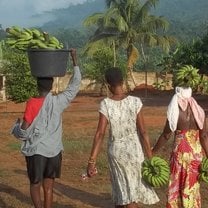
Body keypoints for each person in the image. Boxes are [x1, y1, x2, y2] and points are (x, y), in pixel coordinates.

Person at [11, 48, 81, 208]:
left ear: (37, 85)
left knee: (35, 184)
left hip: (36, 152)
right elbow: (74, 85)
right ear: (51, 86)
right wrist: (74, 59)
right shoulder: (59, 101)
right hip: (54, 151)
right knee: (49, 187)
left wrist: (16, 127)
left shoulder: (32, 103)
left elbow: (24, 131)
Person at [87, 67, 159, 208]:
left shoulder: (106, 104)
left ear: (108, 85)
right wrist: (150, 158)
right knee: (132, 194)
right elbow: (143, 132)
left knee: (121, 193)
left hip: (117, 153)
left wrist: (92, 161)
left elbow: (100, 134)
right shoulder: (135, 101)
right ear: (123, 81)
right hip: (135, 151)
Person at [152, 86, 208, 208]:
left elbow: (166, 135)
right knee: (192, 188)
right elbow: (203, 136)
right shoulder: (199, 111)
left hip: (179, 155)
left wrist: (152, 153)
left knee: (176, 187)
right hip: (195, 156)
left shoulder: (175, 112)